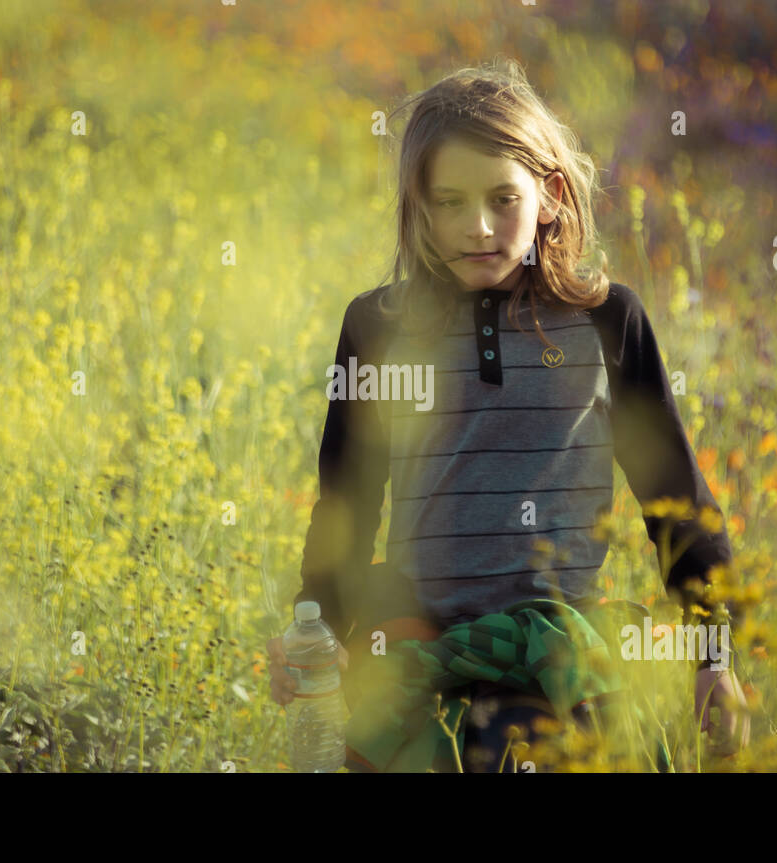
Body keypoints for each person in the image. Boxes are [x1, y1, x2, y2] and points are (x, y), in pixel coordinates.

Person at [266, 57, 749, 772]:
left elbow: (675, 501)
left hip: (557, 648)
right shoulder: (377, 326)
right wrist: (317, 626)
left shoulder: (609, 321)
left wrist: (714, 653)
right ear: (418, 204)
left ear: (551, 194)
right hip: (413, 643)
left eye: (503, 198)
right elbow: (348, 500)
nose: (478, 226)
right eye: (449, 201)